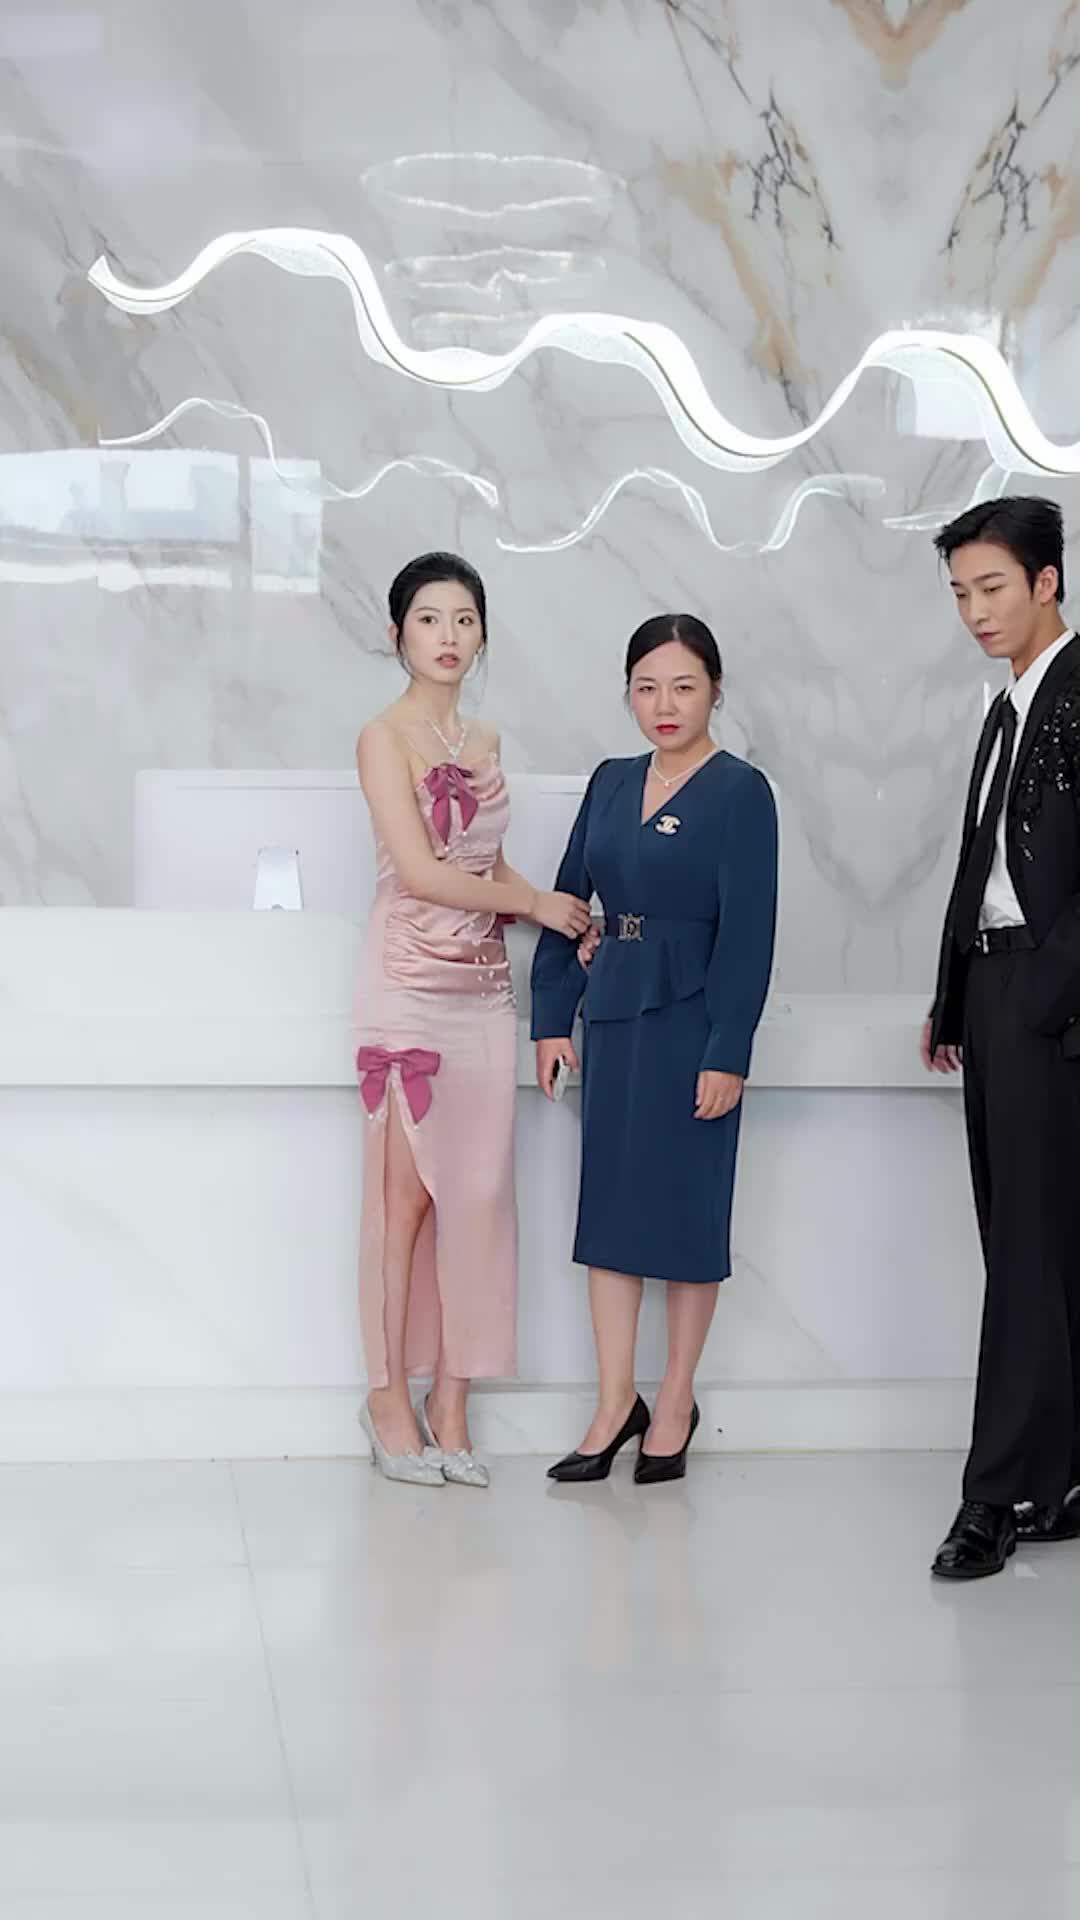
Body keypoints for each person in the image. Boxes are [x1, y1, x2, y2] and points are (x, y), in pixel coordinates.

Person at [355, 552, 591, 1487]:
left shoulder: (485, 738)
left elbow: (485, 868)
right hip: (407, 986)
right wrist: (533, 903)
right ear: (397, 635)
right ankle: (387, 1399)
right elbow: (420, 873)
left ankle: (452, 1400)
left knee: (480, 1197)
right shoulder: (382, 737)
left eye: (463, 620)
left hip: (485, 987)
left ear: (482, 634)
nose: (447, 636)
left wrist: (546, 908)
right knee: (405, 1201)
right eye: (428, 619)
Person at [531, 614, 778, 1485]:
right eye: (646, 687)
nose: (664, 704)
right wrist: (551, 1017)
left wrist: (728, 1050)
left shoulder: (742, 792)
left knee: (685, 1216)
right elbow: (570, 902)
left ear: (715, 691)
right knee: (609, 1217)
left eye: (683, 686)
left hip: (693, 1023)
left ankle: (674, 1400)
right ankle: (613, 1403)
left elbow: (749, 934)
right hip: (615, 1016)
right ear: (628, 694)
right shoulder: (609, 781)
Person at [924, 495, 1080, 1579]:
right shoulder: (1008, 705)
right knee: (1035, 1243)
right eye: (959, 594)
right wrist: (955, 998)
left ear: (1046, 581)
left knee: (1028, 1251)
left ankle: (997, 1495)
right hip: (996, 993)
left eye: (991, 588)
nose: (975, 611)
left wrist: (1037, 998)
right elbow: (982, 861)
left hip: (1045, 999)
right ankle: (1059, 1474)